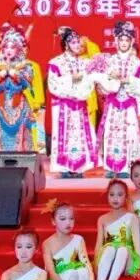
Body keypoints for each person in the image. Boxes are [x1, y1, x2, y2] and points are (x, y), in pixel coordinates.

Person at [48, 27, 100, 178]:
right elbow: (53, 84)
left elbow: (90, 84)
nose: (78, 45)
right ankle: (64, 168)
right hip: (63, 106)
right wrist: (70, 79)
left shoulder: (86, 63)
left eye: (79, 42)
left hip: (80, 105)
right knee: (64, 136)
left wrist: (82, 88)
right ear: (66, 45)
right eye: (74, 42)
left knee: (80, 135)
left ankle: (80, 168)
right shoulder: (56, 62)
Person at [97, 21, 140, 178]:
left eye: (127, 40)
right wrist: (112, 79)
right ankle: (111, 166)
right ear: (116, 41)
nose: (124, 43)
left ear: (131, 42)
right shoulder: (109, 61)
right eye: (121, 40)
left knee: (131, 133)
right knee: (111, 133)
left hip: (130, 104)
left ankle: (127, 167)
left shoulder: (137, 63)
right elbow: (102, 84)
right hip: (113, 104)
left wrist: (129, 81)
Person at [0, 23, 36, 153]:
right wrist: (0, 75)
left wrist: (14, 74)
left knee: (20, 133)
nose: (8, 50)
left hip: (18, 104)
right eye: (6, 46)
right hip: (0, 103)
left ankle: (20, 159)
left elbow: (28, 80)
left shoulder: (24, 64)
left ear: (18, 49)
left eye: (12, 47)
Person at [91, 180, 140, 280]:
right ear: (107, 196)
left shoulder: (132, 217)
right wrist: (96, 263)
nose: (115, 198)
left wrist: (138, 266)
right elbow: (99, 244)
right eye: (112, 194)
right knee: (109, 248)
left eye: (120, 195)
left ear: (126, 197)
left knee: (122, 249)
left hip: (126, 259)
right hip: (108, 256)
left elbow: (137, 243)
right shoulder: (102, 219)